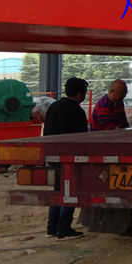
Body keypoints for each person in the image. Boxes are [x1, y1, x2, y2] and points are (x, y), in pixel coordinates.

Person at [44, 76, 88, 239]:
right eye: (84, 93)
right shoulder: (77, 111)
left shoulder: (53, 107)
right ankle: (64, 229)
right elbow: (82, 138)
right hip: (70, 159)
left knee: (58, 191)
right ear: (79, 94)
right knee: (70, 192)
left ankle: (52, 228)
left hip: (53, 156)